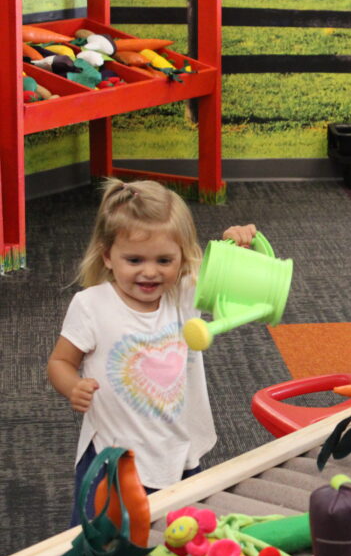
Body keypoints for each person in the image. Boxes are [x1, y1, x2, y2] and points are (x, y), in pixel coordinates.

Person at [47, 178, 258, 524]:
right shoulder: (91, 305)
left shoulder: (185, 293)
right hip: (113, 456)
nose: (149, 271)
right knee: (100, 548)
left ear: (182, 257)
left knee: (181, 542)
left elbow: (237, 288)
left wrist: (238, 246)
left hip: (178, 451)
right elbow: (60, 361)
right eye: (134, 259)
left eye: (164, 260)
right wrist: (72, 386)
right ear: (108, 256)